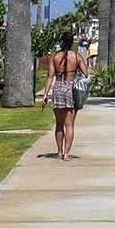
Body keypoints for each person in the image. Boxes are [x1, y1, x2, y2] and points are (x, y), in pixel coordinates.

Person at [41, 32, 89, 161]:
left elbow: (50, 76)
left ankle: (59, 151)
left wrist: (45, 94)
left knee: (59, 123)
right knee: (70, 125)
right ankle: (67, 154)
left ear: (62, 42)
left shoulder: (55, 57)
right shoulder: (76, 56)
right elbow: (86, 73)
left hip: (58, 88)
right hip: (71, 89)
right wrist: (77, 68)